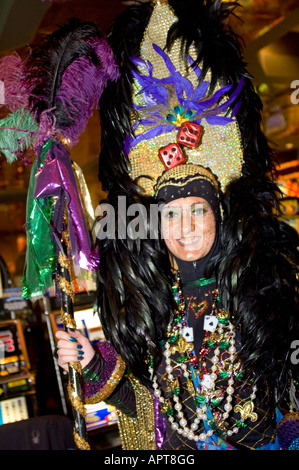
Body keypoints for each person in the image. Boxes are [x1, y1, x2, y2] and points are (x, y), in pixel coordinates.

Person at [56, 163, 298, 451]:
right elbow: (152, 413)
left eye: (198, 209)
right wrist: (91, 364)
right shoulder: (152, 308)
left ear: (219, 215)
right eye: (171, 213)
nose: (186, 226)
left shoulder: (263, 293)